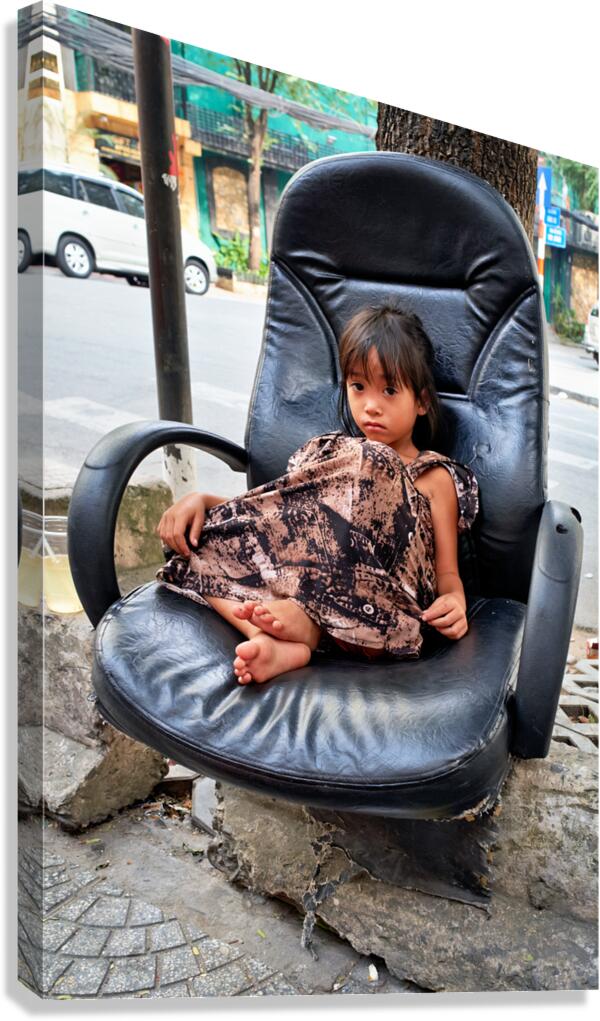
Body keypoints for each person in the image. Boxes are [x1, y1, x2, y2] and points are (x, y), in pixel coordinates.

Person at [155, 303, 479, 686]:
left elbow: (447, 574)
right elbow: (282, 515)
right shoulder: (333, 456)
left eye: (390, 390)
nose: (371, 406)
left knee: (372, 460)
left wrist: (455, 602)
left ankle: (304, 625)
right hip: (306, 587)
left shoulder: (433, 475)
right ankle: (271, 638)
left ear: (422, 401)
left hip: (385, 609)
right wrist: (206, 504)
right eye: (358, 387)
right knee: (192, 547)